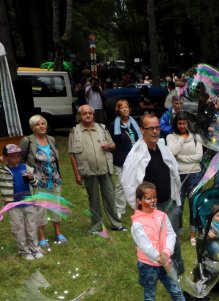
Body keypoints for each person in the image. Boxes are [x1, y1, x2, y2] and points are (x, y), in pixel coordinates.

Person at [130, 181, 207, 301]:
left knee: (176, 291)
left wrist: (166, 251)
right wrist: (160, 257)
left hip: (166, 261)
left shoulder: (162, 216)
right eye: (148, 198)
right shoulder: (137, 223)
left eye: (154, 197)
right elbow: (145, 246)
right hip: (148, 265)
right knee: (150, 294)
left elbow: (171, 234)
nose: (152, 201)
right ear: (139, 201)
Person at [122, 113, 184, 273]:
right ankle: (156, 276)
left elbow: (174, 174)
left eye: (157, 127)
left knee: (173, 242)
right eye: (151, 128)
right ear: (142, 130)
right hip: (150, 210)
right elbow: (129, 184)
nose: (155, 131)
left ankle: (178, 277)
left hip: (169, 204)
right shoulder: (135, 155)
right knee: (153, 245)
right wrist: (140, 209)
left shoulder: (163, 149)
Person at [69, 104, 126, 234]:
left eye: (90, 113)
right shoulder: (75, 131)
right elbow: (72, 154)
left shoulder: (102, 128)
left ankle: (116, 224)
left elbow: (113, 146)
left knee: (110, 197)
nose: (88, 115)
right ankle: (96, 226)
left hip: (104, 168)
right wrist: (77, 174)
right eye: (85, 113)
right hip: (88, 170)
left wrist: (109, 146)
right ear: (80, 116)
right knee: (93, 199)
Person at [19, 115, 66, 249]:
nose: (42, 126)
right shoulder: (27, 141)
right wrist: (26, 176)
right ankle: (42, 237)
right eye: (38, 124)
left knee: (56, 206)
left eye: (43, 123)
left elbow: (55, 158)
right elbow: (21, 160)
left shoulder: (50, 139)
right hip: (38, 181)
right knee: (40, 209)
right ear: (33, 127)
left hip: (55, 179)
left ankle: (58, 233)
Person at [166, 112, 204, 245]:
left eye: (184, 123)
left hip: (195, 174)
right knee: (178, 205)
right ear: (176, 124)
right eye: (179, 123)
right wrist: (181, 139)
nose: (182, 126)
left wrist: (181, 157)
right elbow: (171, 152)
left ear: (188, 123)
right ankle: (178, 232)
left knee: (195, 204)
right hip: (178, 175)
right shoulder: (170, 137)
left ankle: (194, 232)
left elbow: (199, 156)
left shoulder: (196, 137)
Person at [0, 144, 41, 259]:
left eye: (18, 156)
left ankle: (34, 249)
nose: (16, 159)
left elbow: (36, 183)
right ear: (6, 157)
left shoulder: (26, 167)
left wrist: (32, 178)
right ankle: (24, 252)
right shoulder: (3, 171)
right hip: (13, 206)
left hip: (29, 203)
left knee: (32, 226)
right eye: (13, 156)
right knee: (18, 228)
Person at [112, 100, 141, 219]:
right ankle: (120, 209)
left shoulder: (134, 123)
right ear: (118, 110)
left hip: (135, 159)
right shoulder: (114, 125)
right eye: (122, 107)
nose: (125, 109)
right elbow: (112, 142)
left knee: (137, 183)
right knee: (120, 184)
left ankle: (137, 207)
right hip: (121, 159)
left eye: (126, 107)